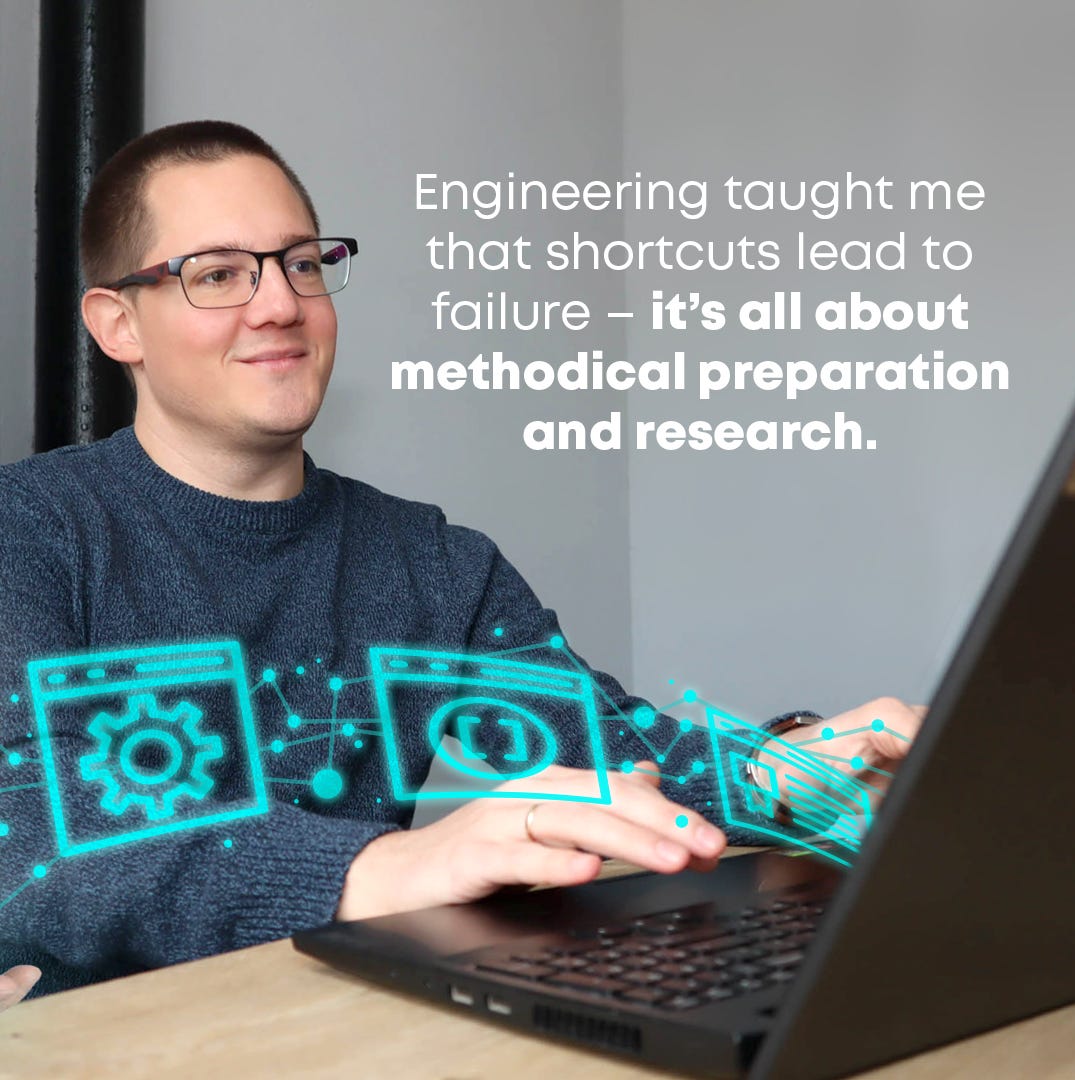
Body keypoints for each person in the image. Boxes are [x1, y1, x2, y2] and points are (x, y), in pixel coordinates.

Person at [0, 121, 922, 996]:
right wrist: (383, 866)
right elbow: (32, 824)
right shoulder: (29, 529)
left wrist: (789, 770)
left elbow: (614, 754)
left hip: (333, 1016)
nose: (279, 305)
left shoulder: (430, 559)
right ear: (118, 325)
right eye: (218, 275)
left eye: (302, 264)